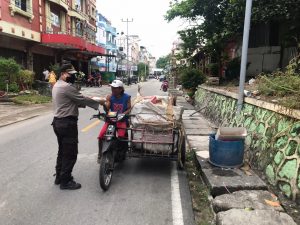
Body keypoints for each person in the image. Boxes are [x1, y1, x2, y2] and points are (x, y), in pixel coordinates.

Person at [52, 63, 101, 190]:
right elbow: (82, 99)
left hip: (58, 122)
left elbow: (70, 102)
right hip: (67, 124)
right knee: (71, 153)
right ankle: (66, 181)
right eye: (71, 75)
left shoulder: (57, 85)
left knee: (62, 151)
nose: (73, 77)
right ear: (63, 74)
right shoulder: (66, 87)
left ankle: (59, 176)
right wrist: (101, 103)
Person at [97, 80, 131, 163]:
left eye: (114, 88)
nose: (112, 89)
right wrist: (104, 104)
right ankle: (100, 154)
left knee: (121, 137)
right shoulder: (110, 97)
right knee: (101, 135)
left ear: (120, 89)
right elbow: (107, 109)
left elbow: (129, 109)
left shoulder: (127, 97)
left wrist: (123, 114)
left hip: (121, 120)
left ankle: (120, 152)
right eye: (112, 87)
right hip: (111, 119)